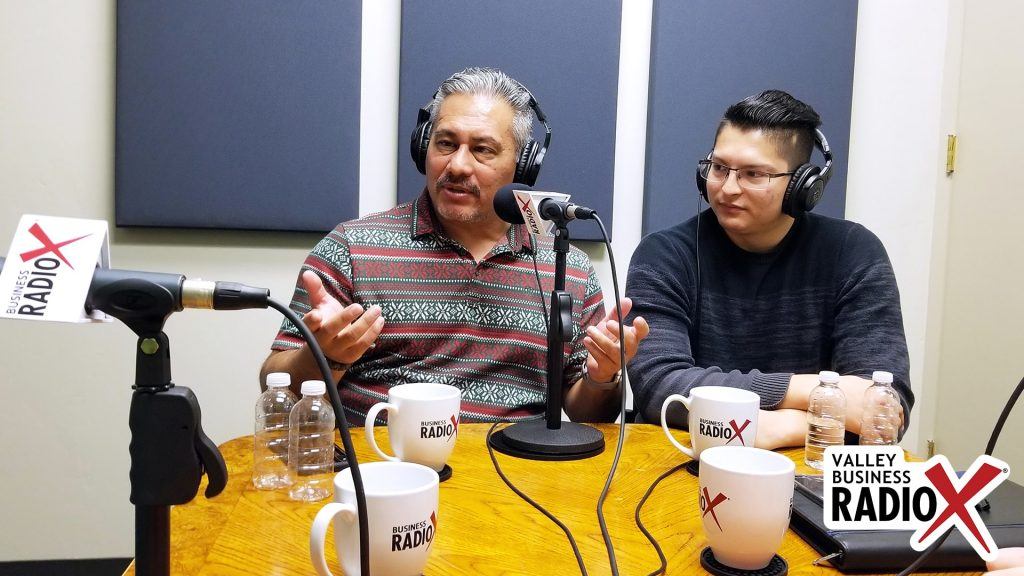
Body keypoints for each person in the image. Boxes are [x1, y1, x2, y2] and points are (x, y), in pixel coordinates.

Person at [261, 67, 648, 425]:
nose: (458, 165)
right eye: (446, 143)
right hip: (385, 474)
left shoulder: (568, 268)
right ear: (422, 149)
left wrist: (602, 377)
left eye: (482, 149)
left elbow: (587, 413)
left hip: (515, 482)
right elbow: (275, 383)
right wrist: (323, 355)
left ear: (523, 165)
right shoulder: (352, 248)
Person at [625, 89, 911, 449]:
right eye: (719, 168)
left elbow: (883, 409)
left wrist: (774, 426)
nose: (727, 188)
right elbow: (660, 385)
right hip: (686, 463)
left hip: (812, 470)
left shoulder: (854, 254)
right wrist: (809, 400)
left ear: (802, 186)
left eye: (753, 174)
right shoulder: (664, 256)